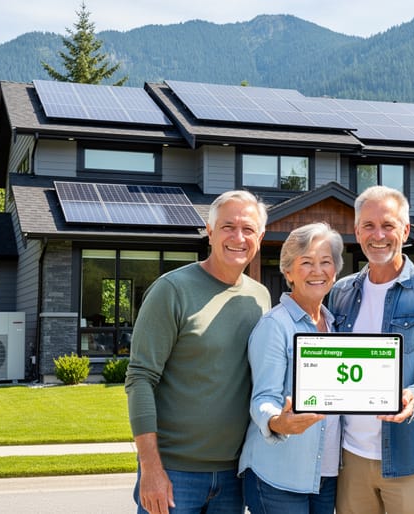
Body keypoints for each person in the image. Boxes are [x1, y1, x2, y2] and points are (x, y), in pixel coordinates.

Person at [125, 190, 272, 514]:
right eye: (227, 227)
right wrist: (150, 468)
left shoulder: (260, 298)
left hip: (235, 474)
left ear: (259, 237)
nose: (238, 237)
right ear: (210, 231)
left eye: (248, 229)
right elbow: (140, 379)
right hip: (173, 473)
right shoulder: (172, 290)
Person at [328, 185, 414, 514]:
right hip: (350, 456)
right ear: (356, 231)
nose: (378, 235)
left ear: (406, 230)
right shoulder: (341, 292)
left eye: (388, 225)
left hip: (409, 456)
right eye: (368, 226)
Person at [238, 222, 345, 514]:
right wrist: (277, 421)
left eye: (325, 262)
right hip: (279, 475)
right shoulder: (275, 326)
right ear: (288, 272)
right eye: (306, 262)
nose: (317, 270)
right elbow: (263, 398)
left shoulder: (335, 325)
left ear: (335, 271)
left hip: (325, 475)